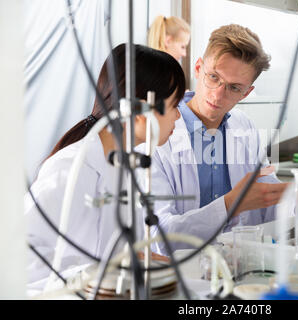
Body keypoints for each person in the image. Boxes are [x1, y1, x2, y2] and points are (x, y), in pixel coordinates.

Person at [147, 24, 298, 255]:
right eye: (213, 77)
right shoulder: (158, 133)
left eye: (234, 87)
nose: (218, 94)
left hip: (241, 265)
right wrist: (230, 205)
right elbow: (159, 237)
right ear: (198, 68)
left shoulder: (244, 127)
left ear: (247, 92)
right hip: (180, 275)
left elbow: (266, 198)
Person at [25, 43, 185, 291]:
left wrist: (134, 259)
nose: (178, 116)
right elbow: (21, 264)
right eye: (175, 105)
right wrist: (102, 274)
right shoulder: (70, 169)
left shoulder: (127, 167)